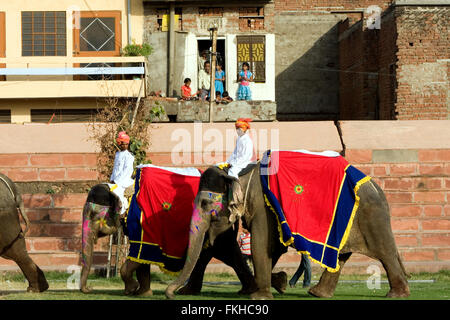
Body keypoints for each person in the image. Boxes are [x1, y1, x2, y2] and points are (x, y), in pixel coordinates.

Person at [220, 118, 254, 220]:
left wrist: (234, 164)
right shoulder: (239, 139)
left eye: (239, 129)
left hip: (244, 162)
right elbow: (235, 153)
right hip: (237, 161)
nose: (237, 131)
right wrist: (228, 162)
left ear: (244, 129)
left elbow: (246, 156)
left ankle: (235, 196)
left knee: (232, 171)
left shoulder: (247, 140)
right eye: (236, 129)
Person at [110, 131, 135, 215]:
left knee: (118, 194)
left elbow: (126, 171)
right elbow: (115, 169)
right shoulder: (117, 154)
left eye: (126, 144)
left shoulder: (129, 156)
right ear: (119, 144)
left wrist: (117, 181)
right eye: (122, 144)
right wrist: (112, 179)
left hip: (124, 181)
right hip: (115, 180)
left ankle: (121, 212)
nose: (124, 145)